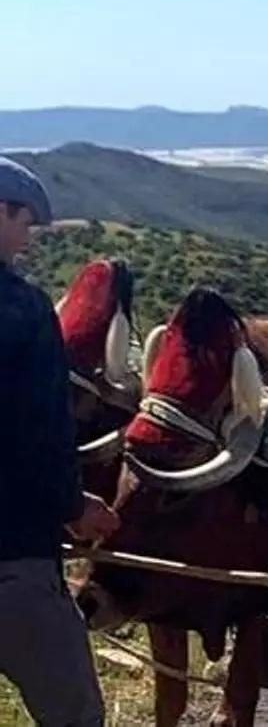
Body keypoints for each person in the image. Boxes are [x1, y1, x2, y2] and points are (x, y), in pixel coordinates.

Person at [1, 156, 121, 726]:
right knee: (75, 714)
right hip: (12, 560)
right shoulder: (23, 311)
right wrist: (74, 506)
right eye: (24, 220)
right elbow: (41, 434)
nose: (28, 237)